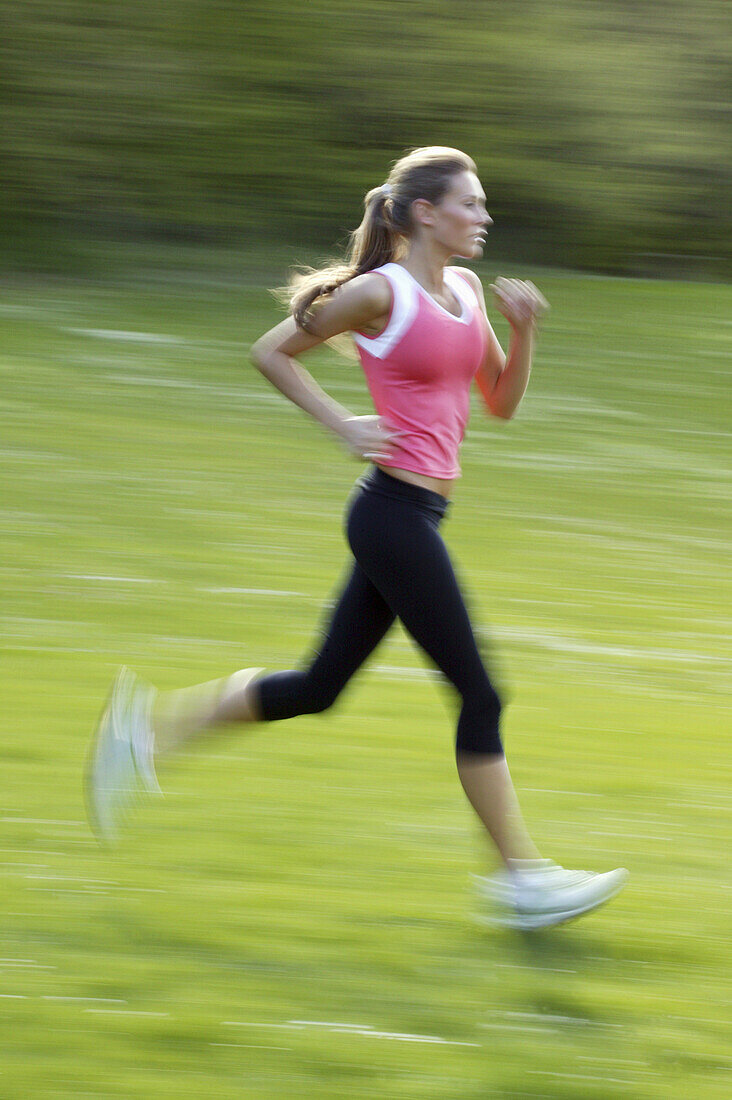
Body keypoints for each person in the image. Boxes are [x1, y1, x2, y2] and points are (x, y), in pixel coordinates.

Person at [86, 146, 627, 929]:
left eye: (483, 205)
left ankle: (145, 734)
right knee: (480, 692)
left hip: (418, 517)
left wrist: (523, 330)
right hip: (392, 517)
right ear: (423, 214)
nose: (483, 217)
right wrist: (342, 424)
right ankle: (521, 880)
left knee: (317, 689)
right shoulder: (380, 293)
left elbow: (501, 404)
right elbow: (272, 350)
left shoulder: (469, 291)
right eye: (470, 204)